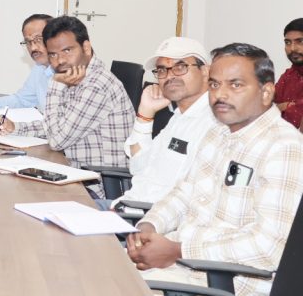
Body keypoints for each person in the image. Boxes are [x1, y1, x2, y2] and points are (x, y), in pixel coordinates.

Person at [127, 43, 303, 295]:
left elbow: (270, 247)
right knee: (92, 266)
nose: (220, 94)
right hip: (183, 268)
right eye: (214, 84)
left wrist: (178, 251)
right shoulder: (217, 132)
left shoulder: (283, 147)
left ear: (266, 92)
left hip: (226, 283)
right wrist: (148, 227)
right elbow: (183, 194)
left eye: (236, 85)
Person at [0, 16, 134, 198]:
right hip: (76, 174)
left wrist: (55, 83)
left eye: (67, 50)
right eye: (53, 54)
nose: (60, 60)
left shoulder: (96, 85)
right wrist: (16, 128)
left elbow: (57, 140)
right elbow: (60, 124)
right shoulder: (77, 76)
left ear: (86, 47)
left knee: (18, 194)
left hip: (97, 187)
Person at [105, 37, 218, 210]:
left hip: (143, 216)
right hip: (126, 205)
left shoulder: (212, 123)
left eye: (180, 67)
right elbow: (138, 167)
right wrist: (145, 115)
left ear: (205, 71)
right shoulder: (179, 117)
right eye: (162, 70)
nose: (169, 76)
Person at [0, 14, 54, 111]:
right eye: (28, 42)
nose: (33, 47)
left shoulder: (67, 72)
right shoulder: (39, 68)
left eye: (38, 39)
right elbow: (22, 100)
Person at [275, 17, 303, 128]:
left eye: (300, 41)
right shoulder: (288, 75)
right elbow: (264, 109)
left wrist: (283, 107)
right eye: (288, 42)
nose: (292, 48)